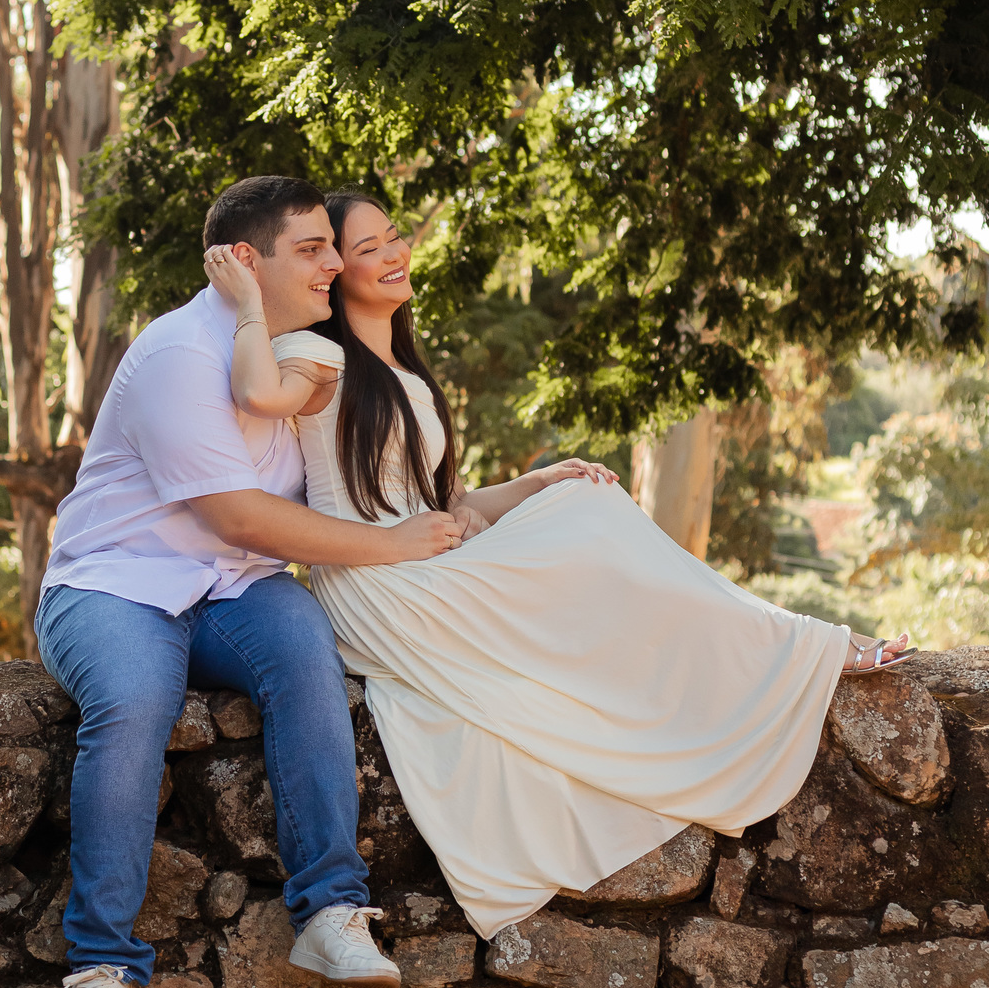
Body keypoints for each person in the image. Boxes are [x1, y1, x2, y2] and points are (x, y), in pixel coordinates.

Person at [204, 187, 916, 940]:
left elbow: (443, 497)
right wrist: (250, 304)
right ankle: (802, 646)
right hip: (378, 581)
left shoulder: (403, 365)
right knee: (588, 532)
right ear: (336, 270)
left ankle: (776, 642)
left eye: (393, 238)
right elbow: (255, 391)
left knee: (583, 501)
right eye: (367, 247)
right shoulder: (318, 356)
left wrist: (538, 481)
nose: (392, 254)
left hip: (426, 556)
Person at [36, 176, 462, 988]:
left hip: (234, 591)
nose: (335, 264)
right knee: (134, 700)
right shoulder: (177, 355)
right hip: (118, 586)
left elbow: (375, 481)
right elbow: (237, 514)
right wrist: (399, 549)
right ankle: (100, 971)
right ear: (243, 259)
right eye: (311, 249)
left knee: (307, 651)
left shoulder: (306, 355)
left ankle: (332, 913)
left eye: (332, 248)